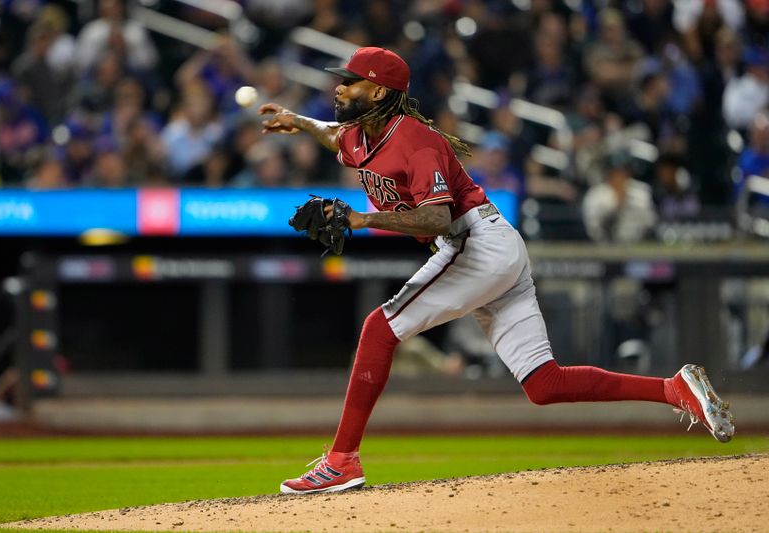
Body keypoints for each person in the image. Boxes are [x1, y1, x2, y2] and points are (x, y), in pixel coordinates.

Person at [259, 47, 735, 495]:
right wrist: (297, 122)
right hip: (493, 248)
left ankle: (342, 461)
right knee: (544, 385)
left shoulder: (414, 141)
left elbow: (437, 217)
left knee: (378, 329)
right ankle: (674, 389)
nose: (339, 88)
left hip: (476, 243)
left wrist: (363, 219)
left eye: (350, 81)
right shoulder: (359, 136)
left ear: (380, 92)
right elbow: (333, 133)